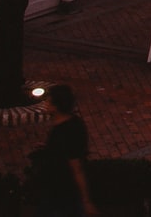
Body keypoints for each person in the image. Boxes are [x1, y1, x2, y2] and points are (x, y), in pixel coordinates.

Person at [32, 85, 96, 217]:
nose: (45, 104)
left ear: (56, 107)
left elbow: (76, 166)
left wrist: (86, 201)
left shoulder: (63, 131)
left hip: (62, 195)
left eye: (48, 101)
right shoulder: (75, 123)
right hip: (57, 192)